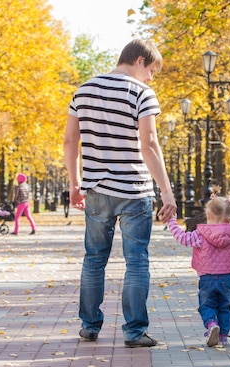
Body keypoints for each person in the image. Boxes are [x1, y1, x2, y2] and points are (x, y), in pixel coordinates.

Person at [63, 39, 177, 348]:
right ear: (139, 61)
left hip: (97, 189)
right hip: (135, 190)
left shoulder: (83, 90)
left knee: (94, 258)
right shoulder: (141, 93)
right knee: (136, 261)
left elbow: (70, 141)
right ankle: (135, 332)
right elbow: (150, 144)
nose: (151, 78)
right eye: (151, 70)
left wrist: (75, 183)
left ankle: (88, 326)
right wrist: (167, 193)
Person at [167, 196, 230, 347]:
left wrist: (171, 220)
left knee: (207, 306)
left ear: (208, 215)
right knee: (224, 307)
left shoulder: (200, 234)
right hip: (228, 278)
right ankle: (223, 336)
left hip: (206, 278)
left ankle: (211, 324)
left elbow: (181, 238)